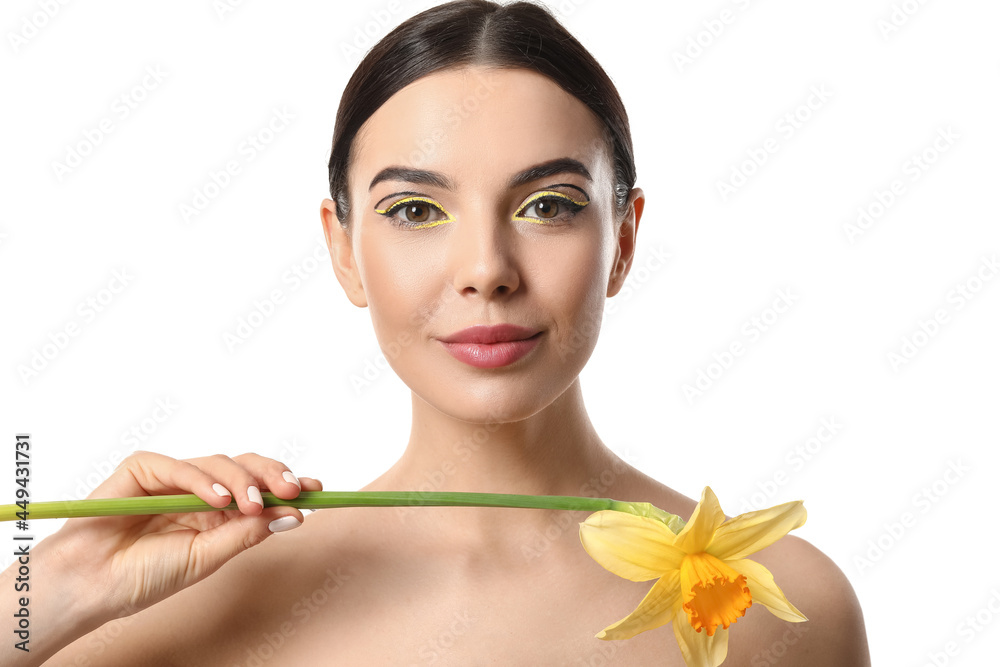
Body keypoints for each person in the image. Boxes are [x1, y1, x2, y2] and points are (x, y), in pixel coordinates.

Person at [3, 1, 871, 664]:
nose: (486, 267)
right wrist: (46, 596)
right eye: (416, 209)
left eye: (548, 206)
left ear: (625, 240)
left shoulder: (784, 604)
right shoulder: (181, 606)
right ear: (343, 249)